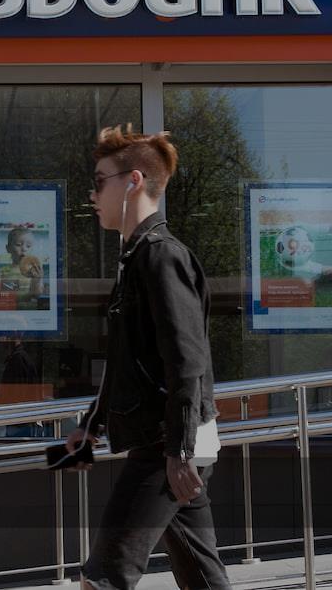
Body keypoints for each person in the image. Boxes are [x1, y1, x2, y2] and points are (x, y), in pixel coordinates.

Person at [65, 125, 231, 590]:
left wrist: (178, 451)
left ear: (133, 181)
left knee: (104, 576)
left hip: (166, 445)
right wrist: (93, 423)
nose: (93, 194)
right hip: (169, 442)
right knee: (202, 578)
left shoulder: (160, 257)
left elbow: (187, 359)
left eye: (100, 181)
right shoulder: (136, 258)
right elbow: (126, 360)